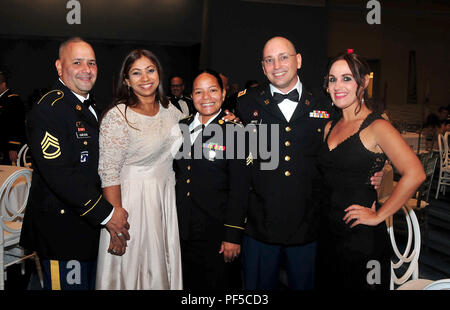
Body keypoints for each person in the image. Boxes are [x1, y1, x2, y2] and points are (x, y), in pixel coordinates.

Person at [235, 36, 384, 290]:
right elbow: (240, 164)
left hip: (311, 225)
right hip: (261, 226)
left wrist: (375, 169)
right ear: (262, 67)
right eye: (269, 60)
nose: (277, 65)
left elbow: (356, 138)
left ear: (299, 60)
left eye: (284, 57)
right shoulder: (245, 102)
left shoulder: (326, 102)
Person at [19, 37, 130, 290]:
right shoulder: (49, 109)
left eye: (91, 63)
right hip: (63, 234)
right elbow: (60, 175)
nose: (86, 69)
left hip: (89, 229)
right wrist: (108, 214)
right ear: (60, 67)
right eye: (77, 62)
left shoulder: (93, 106)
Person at [315, 53, 425, 290]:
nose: (338, 86)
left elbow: (415, 173)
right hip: (326, 233)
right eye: (332, 80)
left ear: (363, 82)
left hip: (360, 238)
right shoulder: (329, 126)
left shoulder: (377, 127)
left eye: (347, 78)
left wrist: (379, 215)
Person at [95, 49, 184, 289]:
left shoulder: (172, 111)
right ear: (126, 80)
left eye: (150, 70)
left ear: (159, 74)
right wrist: (116, 225)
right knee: (134, 271)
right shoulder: (118, 117)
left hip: (164, 199)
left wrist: (227, 123)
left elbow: (192, 146)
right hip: (132, 204)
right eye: (136, 73)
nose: (145, 78)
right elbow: (109, 173)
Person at [174, 69, 250, 289]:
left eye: (212, 90)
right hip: (183, 229)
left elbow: (240, 188)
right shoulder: (182, 126)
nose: (206, 97)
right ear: (192, 96)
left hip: (217, 233)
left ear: (223, 93)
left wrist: (233, 235)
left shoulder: (236, 131)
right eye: (199, 92)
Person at [0, 69, 26, 165]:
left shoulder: (12, 100)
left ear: (3, 85)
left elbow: (16, 125)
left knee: (11, 177)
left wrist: (13, 147)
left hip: (8, 148)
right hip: (2, 147)